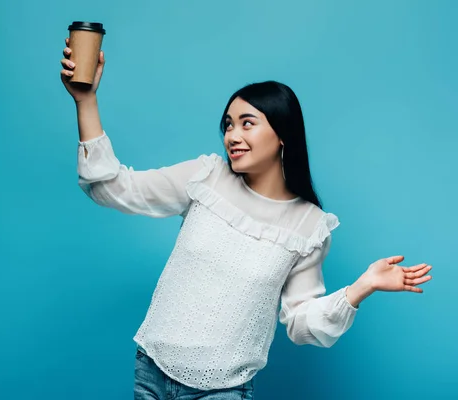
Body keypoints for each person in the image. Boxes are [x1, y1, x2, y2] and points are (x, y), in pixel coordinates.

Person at [60, 38, 433, 400]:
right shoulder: (206, 177)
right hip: (152, 371)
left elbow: (303, 324)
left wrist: (361, 287)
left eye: (247, 123)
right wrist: (86, 100)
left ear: (282, 133)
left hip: (225, 389)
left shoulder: (309, 226)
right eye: (227, 124)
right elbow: (109, 187)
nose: (232, 135)